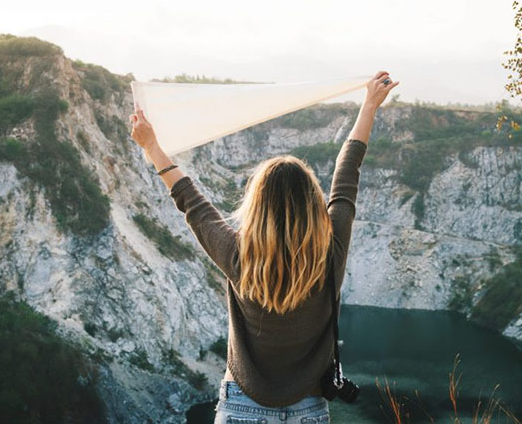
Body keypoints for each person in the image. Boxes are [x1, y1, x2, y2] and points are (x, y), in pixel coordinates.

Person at [129, 70, 399, 424]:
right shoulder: (331, 251)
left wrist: (151, 147)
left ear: (256, 206)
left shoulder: (238, 255)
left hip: (242, 406)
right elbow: (347, 175)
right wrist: (369, 105)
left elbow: (191, 202)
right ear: (312, 204)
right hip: (309, 408)